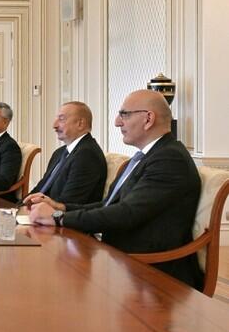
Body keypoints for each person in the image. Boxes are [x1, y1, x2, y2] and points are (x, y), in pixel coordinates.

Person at [28, 90, 202, 290]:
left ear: (148, 119)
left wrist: (58, 218)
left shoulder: (169, 159)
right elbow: (109, 204)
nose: (117, 122)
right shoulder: (147, 156)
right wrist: (61, 207)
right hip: (121, 259)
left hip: (150, 274)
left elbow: (126, 213)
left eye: (124, 114)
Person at [27, 102, 106, 204]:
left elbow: (68, 203)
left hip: (60, 213)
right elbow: (40, 188)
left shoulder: (87, 155)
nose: (54, 125)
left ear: (80, 124)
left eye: (61, 119)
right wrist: (19, 206)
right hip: (39, 210)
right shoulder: (59, 153)